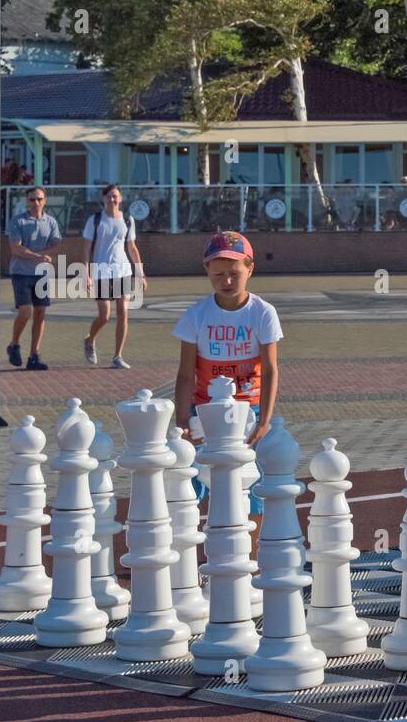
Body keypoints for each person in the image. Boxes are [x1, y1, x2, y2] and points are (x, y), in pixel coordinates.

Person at [173, 231, 280, 536]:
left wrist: (264, 420)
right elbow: (185, 373)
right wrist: (182, 421)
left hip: (250, 410)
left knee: (250, 483)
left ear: (250, 269)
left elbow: (271, 369)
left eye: (234, 273)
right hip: (203, 412)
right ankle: (190, 561)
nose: (227, 281)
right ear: (207, 271)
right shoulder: (197, 314)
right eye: (218, 274)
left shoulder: (263, 313)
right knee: (191, 483)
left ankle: (252, 557)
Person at [82, 183, 147, 369]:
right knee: (104, 316)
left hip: (123, 271)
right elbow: (86, 248)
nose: (113, 199)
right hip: (101, 272)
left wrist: (140, 273)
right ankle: (89, 340)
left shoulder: (127, 220)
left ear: (120, 199)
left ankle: (117, 356)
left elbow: (132, 248)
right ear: (103, 199)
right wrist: (85, 273)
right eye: (109, 196)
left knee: (123, 313)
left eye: (115, 196)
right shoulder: (95, 220)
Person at [5, 186, 62, 370]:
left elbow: (56, 245)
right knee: (25, 312)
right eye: (32, 199)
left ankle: (34, 355)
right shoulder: (17, 222)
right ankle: (14, 344)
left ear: (44, 200)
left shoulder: (51, 222)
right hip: (21, 272)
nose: (36, 203)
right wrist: (38, 256)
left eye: (39, 199)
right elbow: (15, 248)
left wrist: (46, 255)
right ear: (26, 201)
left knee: (40, 313)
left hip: (42, 274)